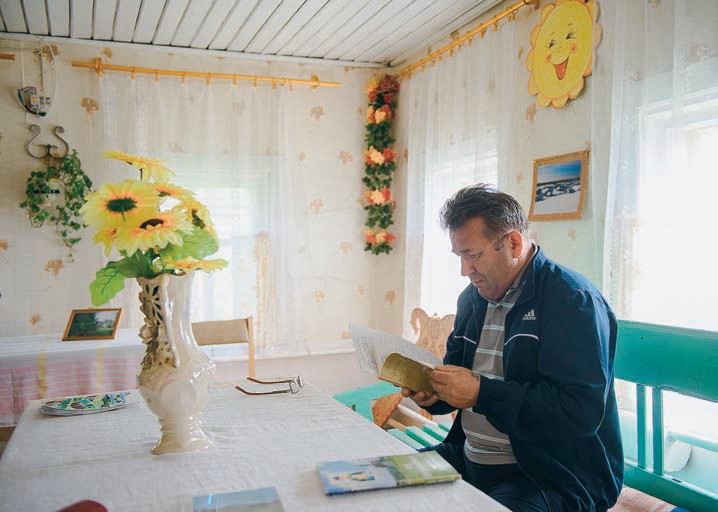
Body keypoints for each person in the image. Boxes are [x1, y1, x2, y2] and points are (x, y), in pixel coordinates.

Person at [402, 184, 623, 512]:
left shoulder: (572, 301)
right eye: (459, 256)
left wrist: (481, 394)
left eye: (472, 255)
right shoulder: (472, 299)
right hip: (467, 457)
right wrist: (433, 394)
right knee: (373, 488)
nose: (464, 270)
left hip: (546, 475)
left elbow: (580, 412)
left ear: (514, 243)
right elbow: (460, 385)